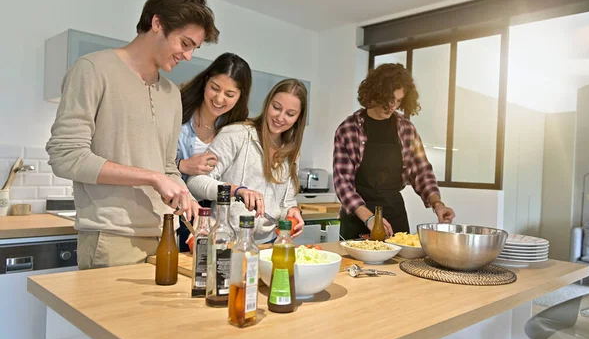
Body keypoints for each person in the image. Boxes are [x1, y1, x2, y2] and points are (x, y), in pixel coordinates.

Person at [45, 0, 220, 269]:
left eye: (194, 49)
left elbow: (166, 167)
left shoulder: (172, 93)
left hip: (166, 235)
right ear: (157, 23)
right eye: (185, 44)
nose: (188, 56)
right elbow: (66, 156)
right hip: (112, 239)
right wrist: (152, 177)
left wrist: (184, 196)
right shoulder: (92, 70)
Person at [333, 63, 455, 240]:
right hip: (358, 217)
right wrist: (369, 218)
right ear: (375, 93)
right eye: (389, 99)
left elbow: (422, 171)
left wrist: (438, 204)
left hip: (394, 213)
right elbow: (343, 183)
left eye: (398, 101)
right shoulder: (348, 129)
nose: (392, 106)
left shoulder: (406, 129)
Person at [187, 79, 307, 244]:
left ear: (298, 118)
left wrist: (292, 210)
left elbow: (286, 201)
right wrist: (236, 191)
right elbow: (195, 182)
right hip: (224, 241)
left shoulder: (292, 151)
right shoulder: (236, 134)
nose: (280, 117)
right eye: (276, 107)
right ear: (267, 104)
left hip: (267, 244)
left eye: (290, 114)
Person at [176, 52, 252, 249]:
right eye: (215, 88)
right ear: (205, 81)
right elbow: (150, 159)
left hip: (212, 211)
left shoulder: (235, 128)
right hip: (174, 207)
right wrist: (182, 165)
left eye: (230, 94)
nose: (219, 99)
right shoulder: (176, 111)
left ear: (240, 97)